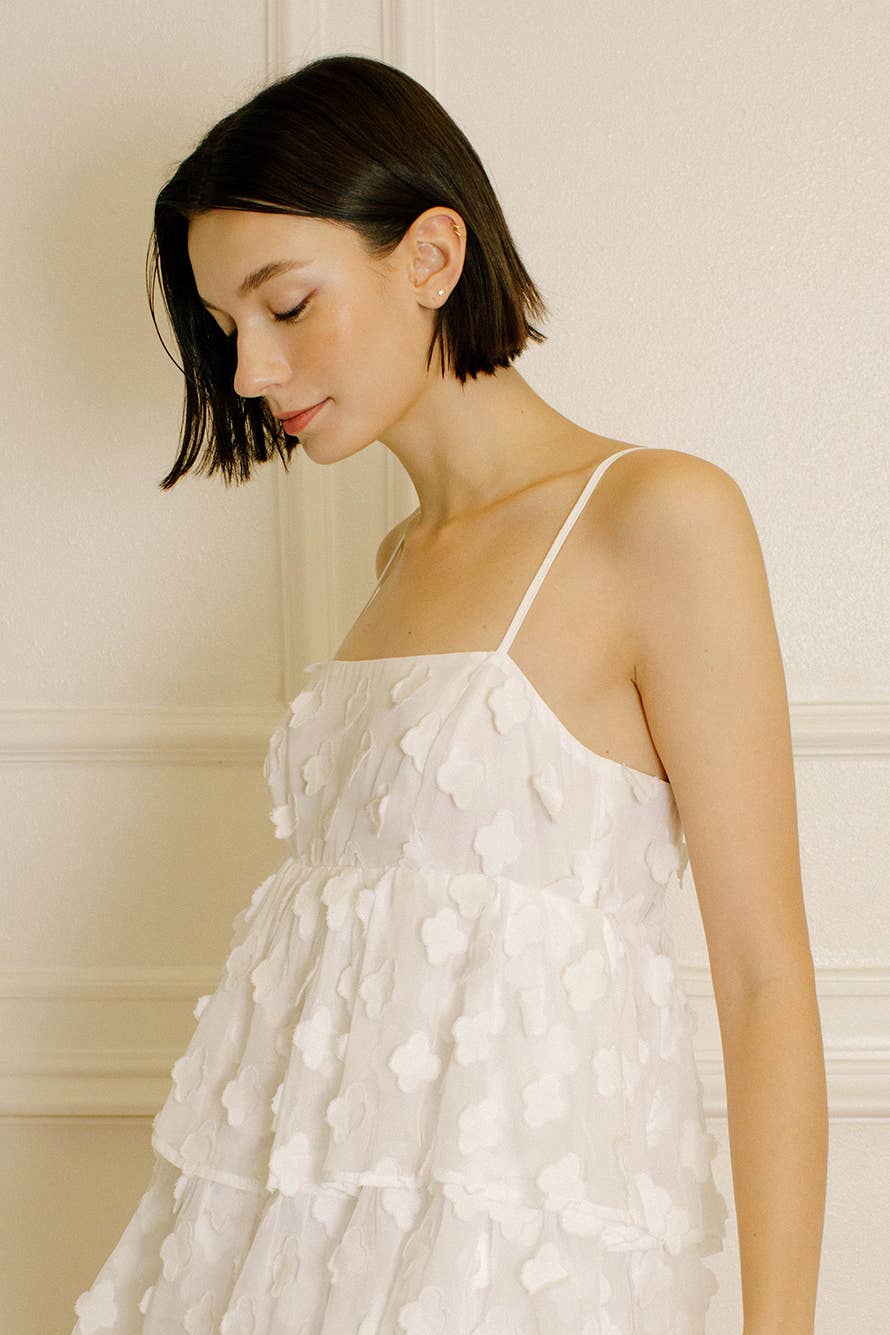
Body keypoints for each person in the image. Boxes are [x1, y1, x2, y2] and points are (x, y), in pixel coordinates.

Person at [71, 53, 826, 1335]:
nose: (248, 370)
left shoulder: (656, 518)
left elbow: (762, 978)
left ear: (429, 256)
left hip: (510, 1263)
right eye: (226, 328)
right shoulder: (396, 562)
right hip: (295, 1240)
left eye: (286, 305)